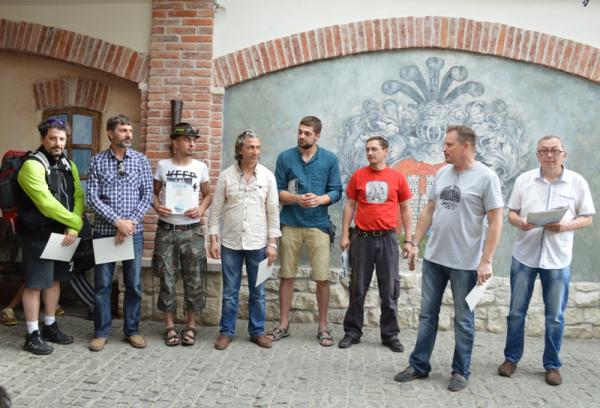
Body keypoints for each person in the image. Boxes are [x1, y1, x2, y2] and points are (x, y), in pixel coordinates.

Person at [395, 125, 504, 392]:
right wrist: (414, 243)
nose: (443, 148)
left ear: (466, 146)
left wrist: (486, 260)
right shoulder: (443, 172)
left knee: (463, 319)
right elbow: (429, 209)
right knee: (427, 315)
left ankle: (460, 371)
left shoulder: (486, 177)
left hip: (465, 263)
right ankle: (419, 365)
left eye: (449, 144)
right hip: (434, 259)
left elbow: (496, 221)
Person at [497, 135, 595, 386]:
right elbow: (511, 214)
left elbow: (587, 218)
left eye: (554, 150)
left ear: (564, 154)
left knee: (555, 316)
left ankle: (552, 365)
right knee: (516, 312)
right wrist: (522, 222)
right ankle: (511, 358)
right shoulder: (524, 180)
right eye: (544, 150)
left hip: (558, 258)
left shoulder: (577, 182)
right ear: (537, 155)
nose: (549, 155)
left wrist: (566, 226)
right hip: (525, 256)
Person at [268, 116, 342, 346]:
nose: (301, 136)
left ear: (317, 135)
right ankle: (283, 324)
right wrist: (297, 199)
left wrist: (320, 199)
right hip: (290, 223)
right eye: (300, 132)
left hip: (319, 225)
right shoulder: (285, 157)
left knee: (322, 277)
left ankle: (323, 327)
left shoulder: (329, 159)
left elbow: (337, 190)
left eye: (307, 133)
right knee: (286, 275)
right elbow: (277, 190)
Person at [337, 136, 413, 352]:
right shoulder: (358, 176)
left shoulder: (397, 178)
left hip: (388, 239)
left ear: (386, 151)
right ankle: (352, 332)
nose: (370, 153)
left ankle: (390, 335)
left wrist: (408, 240)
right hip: (362, 239)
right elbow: (350, 206)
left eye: (374, 149)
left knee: (389, 289)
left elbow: (405, 209)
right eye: (367, 149)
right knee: (357, 287)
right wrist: (345, 235)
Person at [17, 118, 85, 355]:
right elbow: (45, 203)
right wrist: (75, 222)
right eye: (53, 138)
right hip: (37, 234)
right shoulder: (32, 165)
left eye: (62, 139)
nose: (58, 143)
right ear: (43, 139)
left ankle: (50, 325)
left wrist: (73, 227)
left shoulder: (68, 164)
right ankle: (32, 334)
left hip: (64, 234)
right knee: (35, 284)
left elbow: (78, 195)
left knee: (55, 280)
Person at [208, 130, 280, 350]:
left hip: (259, 244)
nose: (255, 151)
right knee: (230, 293)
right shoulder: (226, 176)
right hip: (230, 243)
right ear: (240, 149)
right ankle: (226, 332)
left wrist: (272, 243)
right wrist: (213, 239)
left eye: (257, 147)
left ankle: (257, 331)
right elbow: (216, 210)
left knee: (258, 292)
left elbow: (273, 212)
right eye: (250, 147)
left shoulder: (267, 177)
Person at [87, 114, 153, 351]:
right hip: (106, 231)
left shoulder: (141, 160)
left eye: (130, 131)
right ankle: (101, 332)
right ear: (110, 133)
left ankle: (132, 330)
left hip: (133, 233)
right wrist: (117, 222)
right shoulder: (97, 161)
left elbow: (147, 195)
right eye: (124, 130)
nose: (128, 135)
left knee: (133, 284)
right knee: (103, 284)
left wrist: (129, 224)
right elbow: (92, 197)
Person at [152, 123, 212, 347]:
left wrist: (201, 209)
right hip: (167, 230)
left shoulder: (200, 167)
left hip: (192, 231)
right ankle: (169, 326)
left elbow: (208, 194)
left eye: (194, 140)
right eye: (187, 140)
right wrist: (157, 206)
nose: (192, 144)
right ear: (175, 143)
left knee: (194, 278)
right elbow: (153, 192)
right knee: (166, 279)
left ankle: (191, 325)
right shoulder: (163, 165)